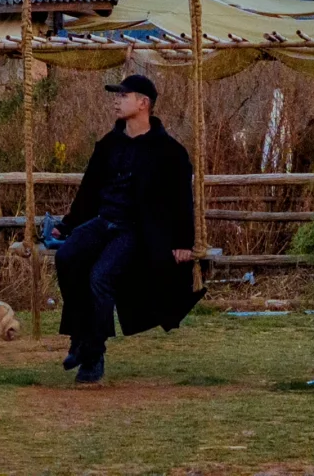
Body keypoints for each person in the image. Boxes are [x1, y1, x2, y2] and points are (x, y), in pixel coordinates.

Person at [52, 73, 202, 384]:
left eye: (124, 95)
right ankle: (82, 338)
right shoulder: (109, 144)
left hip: (134, 229)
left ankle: (92, 353)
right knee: (67, 258)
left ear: (144, 103)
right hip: (102, 221)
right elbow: (89, 190)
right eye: (116, 95)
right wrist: (67, 226)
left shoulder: (169, 151)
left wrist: (183, 241)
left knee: (100, 277)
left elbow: (181, 200)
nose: (116, 100)